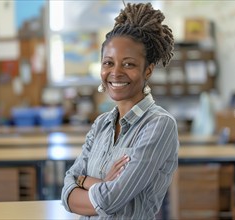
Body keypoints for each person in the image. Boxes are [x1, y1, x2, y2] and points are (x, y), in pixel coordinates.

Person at [61, 2, 179, 219]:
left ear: (148, 70)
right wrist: (100, 183)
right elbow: (66, 189)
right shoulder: (102, 123)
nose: (115, 73)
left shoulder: (159, 125)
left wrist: (84, 182)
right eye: (108, 63)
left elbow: (109, 201)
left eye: (128, 64)